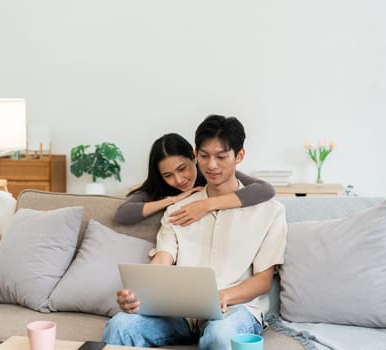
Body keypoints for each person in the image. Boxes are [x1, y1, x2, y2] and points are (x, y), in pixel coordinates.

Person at [102, 115, 287, 350]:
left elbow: (262, 282)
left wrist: (223, 296)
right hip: (180, 315)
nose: (211, 165)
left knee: (219, 335)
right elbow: (162, 259)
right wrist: (139, 294)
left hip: (235, 310)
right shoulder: (177, 211)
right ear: (195, 153)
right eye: (204, 156)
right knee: (121, 324)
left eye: (221, 156)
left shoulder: (270, 212)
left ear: (239, 156)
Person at [114, 133, 275, 226]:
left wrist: (206, 205)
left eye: (182, 169)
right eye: (168, 175)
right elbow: (122, 214)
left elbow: (265, 189)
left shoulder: (212, 175)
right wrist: (173, 200)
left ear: (194, 156)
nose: (178, 180)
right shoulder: (158, 188)